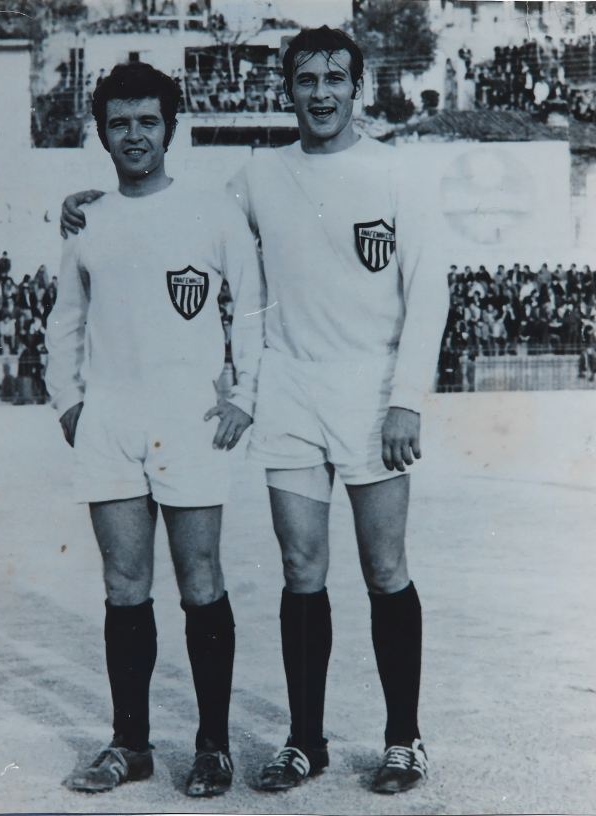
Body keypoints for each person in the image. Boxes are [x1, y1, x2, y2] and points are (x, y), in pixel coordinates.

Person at [60, 26, 448, 796]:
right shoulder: (259, 176)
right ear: (288, 89)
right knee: (301, 568)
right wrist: (86, 202)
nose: (321, 93)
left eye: (335, 79)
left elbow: (429, 292)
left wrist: (408, 398)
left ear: (358, 87)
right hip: (290, 394)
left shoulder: (398, 173)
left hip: (372, 393)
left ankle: (404, 740)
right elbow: (171, 207)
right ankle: (306, 742)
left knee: (384, 566)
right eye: (306, 80)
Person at [48, 62, 263, 797]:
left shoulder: (212, 212)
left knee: (201, 582)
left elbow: (253, 309)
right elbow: (63, 325)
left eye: (147, 121)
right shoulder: (88, 221)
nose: (134, 135)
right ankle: (130, 743)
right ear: (101, 133)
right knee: (124, 584)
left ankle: (213, 747)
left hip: (189, 419)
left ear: (171, 128)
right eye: (119, 123)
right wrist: (69, 405)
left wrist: (246, 396)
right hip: (110, 423)